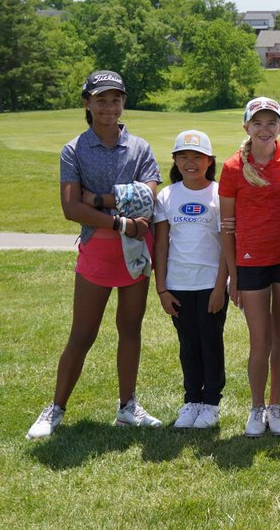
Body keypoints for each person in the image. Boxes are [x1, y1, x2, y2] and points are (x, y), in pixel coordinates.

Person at [27, 70, 162, 439]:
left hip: (135, 251)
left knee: (130, 330)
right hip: (100, 249)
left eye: (116, 99)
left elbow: (148, 198)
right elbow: (72, 208)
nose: (109, 107)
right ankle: (55, 408)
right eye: (101, 100)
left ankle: (128, 406)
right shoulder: (74, 150)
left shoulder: (140, 148)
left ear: (123, 103)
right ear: (87, 103)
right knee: (82, 334)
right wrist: (121, 221)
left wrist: (99, 199)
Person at [219, 97, 280, 438]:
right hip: (250, 263)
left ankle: (275, 406)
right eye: (257, 123)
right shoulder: (232, 167)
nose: (264, 129)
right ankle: (256, 407)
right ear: (246, 127)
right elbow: (227, 226)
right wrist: (233, 276)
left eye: (271, 122)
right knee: (260, 339)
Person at [153, 130, 228, 430]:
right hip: (178, 285)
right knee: (188, 345)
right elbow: (161, 245)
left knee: (210, 343)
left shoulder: (220, 195)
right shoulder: (167, 196)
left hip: (210, 284)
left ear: (210, 161)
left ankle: (211, 402)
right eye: (183, 156)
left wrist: (221, 286)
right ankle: (192, 400)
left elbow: (226, 246)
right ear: (175, 160)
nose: (190, 162)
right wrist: (162, 289)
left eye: (198, 157)